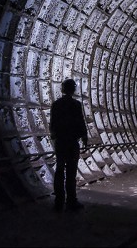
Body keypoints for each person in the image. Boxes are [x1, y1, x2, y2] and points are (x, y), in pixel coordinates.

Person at [49, 78, 88, 212]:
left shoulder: (56, 104)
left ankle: (58, 201)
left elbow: (52, 124)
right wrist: (84, 137)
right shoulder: (75, 104)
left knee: (59, 170)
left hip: (60, 142)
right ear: (73, 89)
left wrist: (54, 137)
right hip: (72, 142)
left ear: (63, 89)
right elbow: (80, 121)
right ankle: (71, 201)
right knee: (71, 172)